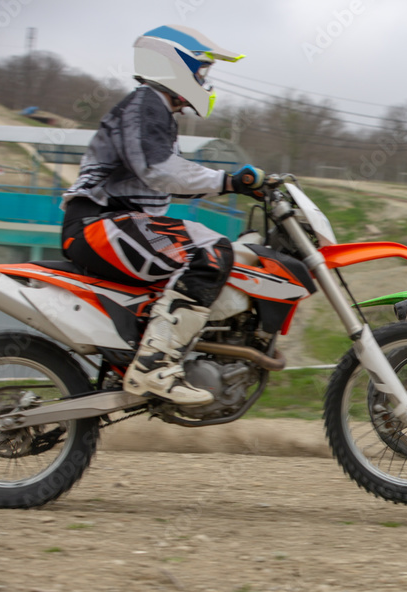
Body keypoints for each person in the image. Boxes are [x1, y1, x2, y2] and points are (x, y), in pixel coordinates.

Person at [61, 25, 266, 406]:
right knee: (212, 251)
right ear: (175, 64)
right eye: (201, 72)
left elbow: (161, 175)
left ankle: (168, 351)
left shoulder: (154, 111)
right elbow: (161, 170)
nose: (205, 81)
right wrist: (230, 181)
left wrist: (236, 183)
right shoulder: (145, 103)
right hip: (99, 226)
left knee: (209, 244)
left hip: (114, 225)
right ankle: (156, 363)